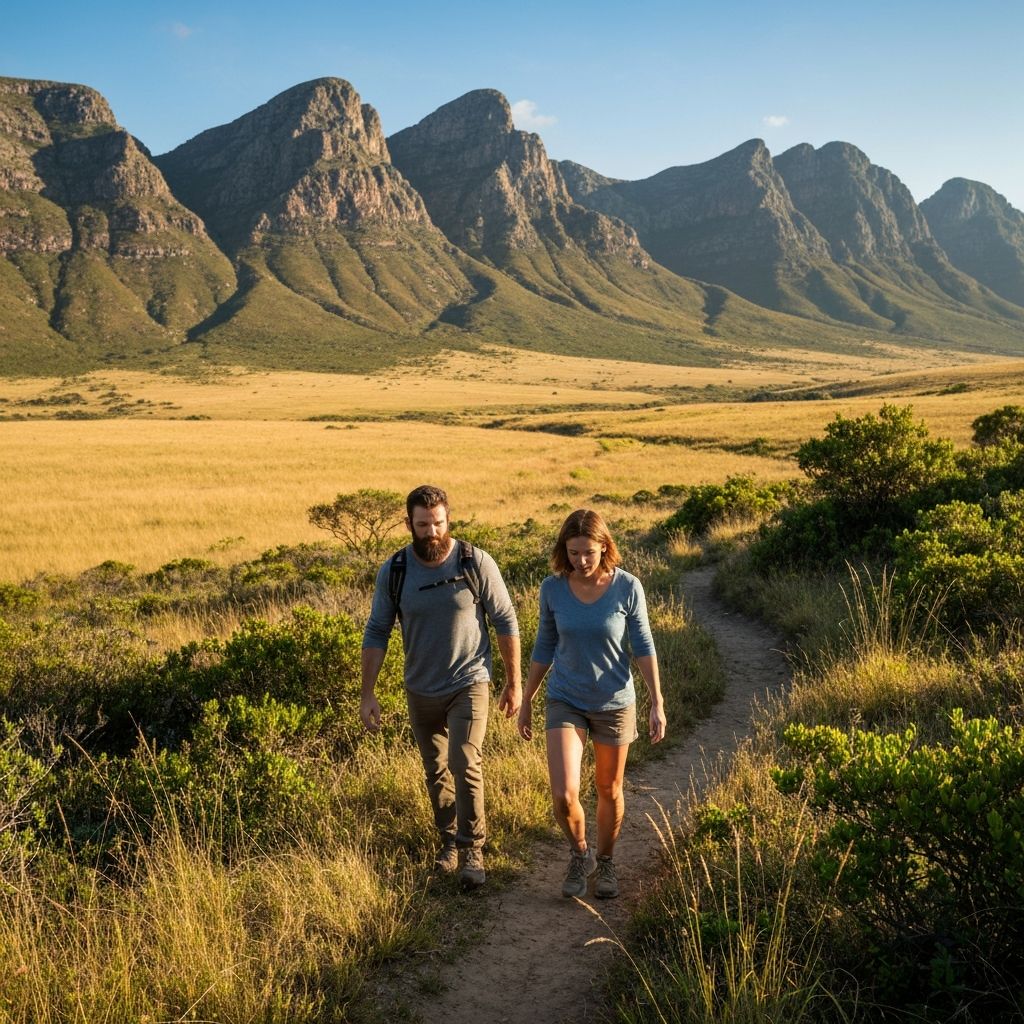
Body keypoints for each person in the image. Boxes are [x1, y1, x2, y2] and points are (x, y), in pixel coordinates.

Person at [361, 484, 521, 889]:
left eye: (438, 523)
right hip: (420, 688)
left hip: (469, 680)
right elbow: (378, 629)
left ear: (449, 519)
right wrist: (368, 692)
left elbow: (505, 620)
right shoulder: (395, 571)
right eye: (423, 525)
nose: (432, 532)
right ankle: (449, 842)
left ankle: (473, 850)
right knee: (435, 771)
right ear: (409, 524)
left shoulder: (474, 561)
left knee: (465, 762)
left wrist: (513, 682)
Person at [517, 508, 666, 899]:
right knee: (564, 795)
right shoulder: (552, 588)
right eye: (572, 552)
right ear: (563, 550)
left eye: (588, 552)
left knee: (608, 789)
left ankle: (607, 862)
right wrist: (528, 698)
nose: (581, 561)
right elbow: (544, 645)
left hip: (615, 701)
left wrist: (657, 702)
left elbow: (643, 646)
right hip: (565, 698)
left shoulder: (627, 587)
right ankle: (579, 853)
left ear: (604, 547)